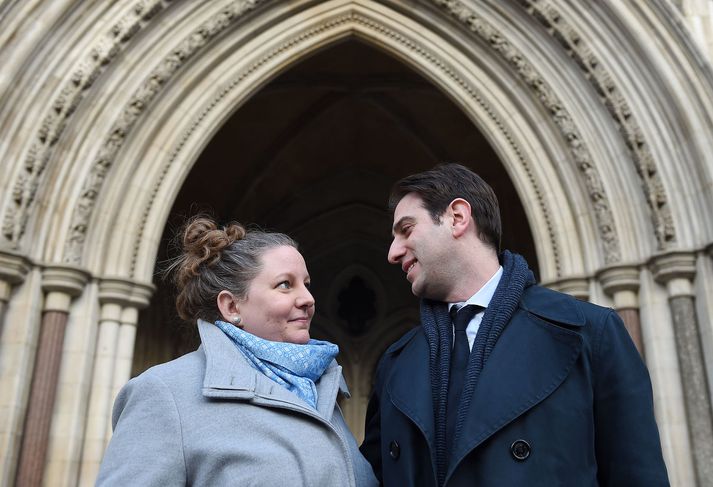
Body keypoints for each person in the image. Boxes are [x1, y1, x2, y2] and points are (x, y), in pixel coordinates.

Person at [360, 164, 669, 486]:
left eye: (406, 230)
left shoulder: (589, 333)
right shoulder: (396, 364)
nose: (392, 253)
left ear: (457, 217)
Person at [97, 216, 377, 486]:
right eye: (285, 285)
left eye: (306, 284)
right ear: (232, 307)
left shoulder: (320, 389)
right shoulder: (165, 394)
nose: (307, 299)